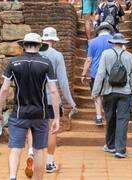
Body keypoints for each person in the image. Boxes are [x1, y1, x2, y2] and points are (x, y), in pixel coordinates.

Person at [0, 33, 61, 180]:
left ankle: (12, 177)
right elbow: (54, 90)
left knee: (15, 149)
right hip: (40, 113)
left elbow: (4, 89)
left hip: (19, 113)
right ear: (39, 46)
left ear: (24, 45)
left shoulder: (14, 62)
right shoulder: (46, 63)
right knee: (39, 150)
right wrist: (56, 117)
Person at [26, 27, 77, 174]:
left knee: (31, 127)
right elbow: (62, 81)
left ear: (42, 39)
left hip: (32, 98)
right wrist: (71, 102)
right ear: (54, 40)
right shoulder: (56, 56)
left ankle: (31, 152)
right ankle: (48, 163)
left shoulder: (33, 53)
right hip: (50, 99)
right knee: (51, 130)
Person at [91, 32, 132, 158]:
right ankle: (120, 150)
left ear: (113, 42)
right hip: (125, 92)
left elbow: (100, 74)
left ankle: (110, 145)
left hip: (108, 91)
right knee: (122, 120)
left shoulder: (106, 54)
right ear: (123, 43)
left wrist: (95, 92)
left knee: (110, 118)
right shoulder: (129, 56)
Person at [81, 22, 115, 126]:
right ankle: (110, 117)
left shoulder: (92, 42)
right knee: (110, 94)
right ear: (109, 30)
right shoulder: (114, 41)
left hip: (96, 72)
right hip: (111, 72)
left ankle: (99, 117)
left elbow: (88, 60)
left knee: (97, 95)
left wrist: (83, 74)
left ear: (99, 30)